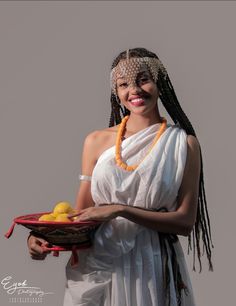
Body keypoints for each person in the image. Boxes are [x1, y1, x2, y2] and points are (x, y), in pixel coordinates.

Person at [27, 47, 213, 306]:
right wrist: (44, 237)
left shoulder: (185, 144)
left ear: (160, 82)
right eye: (123, 84)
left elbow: (185, 222)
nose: (134, 90)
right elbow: (81, 216)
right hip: (101, 262)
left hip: (152, 263)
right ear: (116, 92)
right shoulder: (96, 141)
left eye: (143, 79)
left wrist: (120, 210)